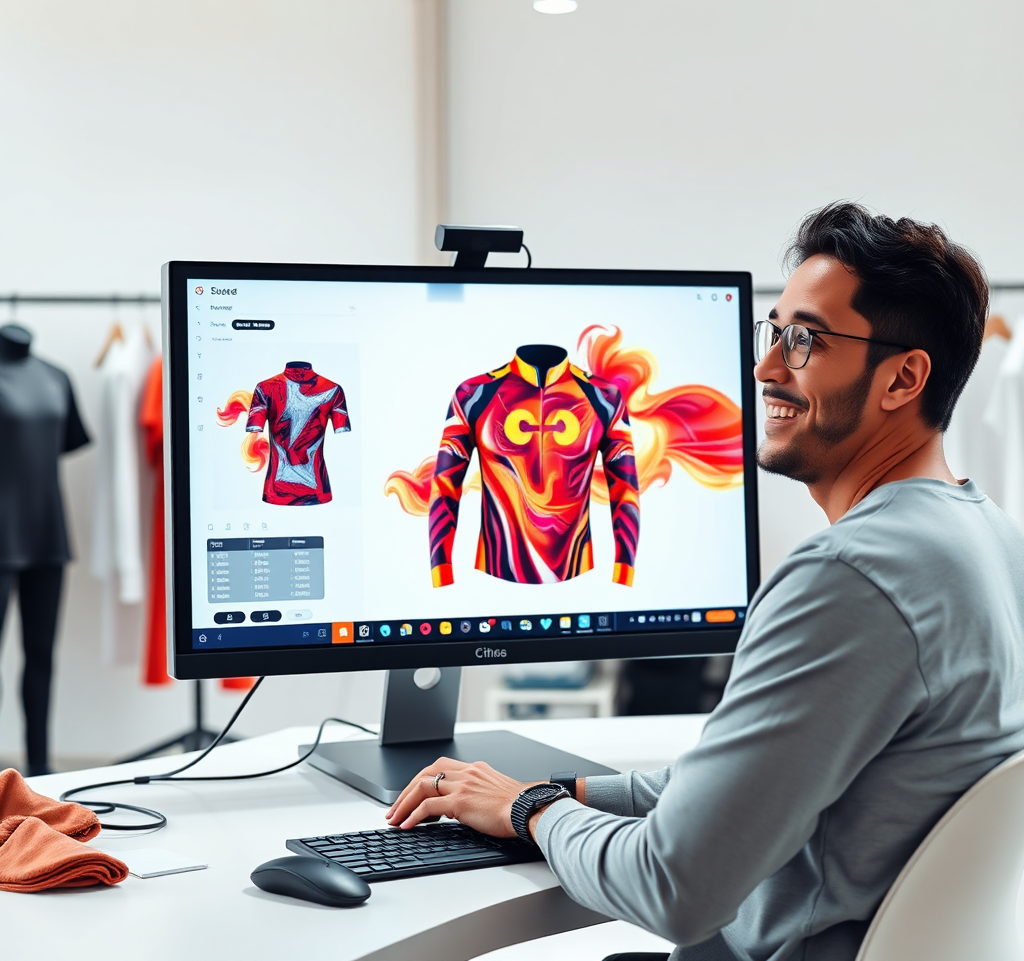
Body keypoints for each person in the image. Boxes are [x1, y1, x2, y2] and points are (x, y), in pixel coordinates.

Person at [386, 202, 1024, 961]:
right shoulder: (988, 537)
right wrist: (573, 793)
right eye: (773, 331)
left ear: (902, 378)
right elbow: (762, 793)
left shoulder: (849, 577)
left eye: (805, 340)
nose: (764, 367)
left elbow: (674, 886)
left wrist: (529, 809)